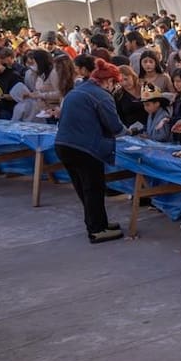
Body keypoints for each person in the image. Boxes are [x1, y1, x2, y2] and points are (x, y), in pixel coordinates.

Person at [53, 57, 125, 244]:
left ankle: (98, 222)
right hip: (85, 148)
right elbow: (115, 126)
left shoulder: (77, 91)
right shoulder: (102, 96)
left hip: (63, 144)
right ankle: (97, 230)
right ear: (109, 81)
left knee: (84, 188)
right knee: (93, 188)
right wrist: (130, 131)